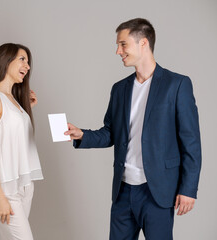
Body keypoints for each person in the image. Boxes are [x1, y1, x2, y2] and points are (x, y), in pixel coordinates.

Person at [65, 18, 201, 240]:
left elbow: (191, 142)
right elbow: (111, 132)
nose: (118, 51)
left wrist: (188, 189)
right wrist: (82, 135)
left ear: (143, 43)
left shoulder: (176, 85)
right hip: (123, 191)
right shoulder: (119, 89)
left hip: (157, 192)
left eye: (123, 44)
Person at [0, 43, 43, 240]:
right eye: (22, 59)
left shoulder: (13, 101)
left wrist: (26, 108)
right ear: (5, 61)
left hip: (23, 184)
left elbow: (15, 138)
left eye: (28, 62)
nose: (27, 66)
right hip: (5, 189)